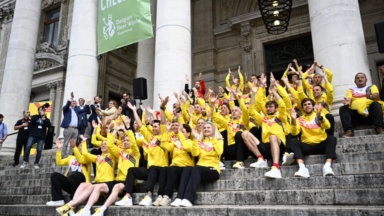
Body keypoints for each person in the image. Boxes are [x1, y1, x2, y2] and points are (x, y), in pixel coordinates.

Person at [115, 100, 169, 207]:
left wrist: (162, 108)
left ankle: (148, 196)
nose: (153, 128)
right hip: (151, 171)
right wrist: (135, 111)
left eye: (155, 127)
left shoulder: (164, 137)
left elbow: (163, 122)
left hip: (162, 171)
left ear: (160, 128)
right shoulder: (150, 138)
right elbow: (140, 124)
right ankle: (128, 197)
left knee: (153, 168)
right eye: (153, 126)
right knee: (132, 170)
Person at [55, 135, 117, 216]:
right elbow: (83, 156)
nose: (103, 145)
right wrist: (82, 143)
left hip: (108, 183)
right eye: (102, 144)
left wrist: (112, 135)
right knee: (83, 185)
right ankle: (71, 207)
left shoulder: (112, 156)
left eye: (105, 144)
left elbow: (111, 146)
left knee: (90, 185)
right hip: (98, 183)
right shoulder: (97, 158)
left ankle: (71, 206)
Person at [170, 121, 223, 207]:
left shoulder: (219, 140)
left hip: (212, 170)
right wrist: (195, 139)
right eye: (204, 128)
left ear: (213, 129)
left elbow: (219, 152)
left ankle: (188, 198)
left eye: (208, 127)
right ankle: (179, 198)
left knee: (197, 168)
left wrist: (213, 138)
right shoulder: (200, 142)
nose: (206, 129)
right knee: (188, 168)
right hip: (199, 169)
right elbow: (195, 154)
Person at [245, 80, 288, 179]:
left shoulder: (281, 117)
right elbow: (251, 111)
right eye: (267, 107)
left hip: (279, 145)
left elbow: (282, 104)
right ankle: (261, 159)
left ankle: (276, 168)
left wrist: (274, 92)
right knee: (245, 134)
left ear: (276, 109)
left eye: (271, 107)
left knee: (273, 137)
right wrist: (253, 93)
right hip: (265, 147)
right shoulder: (263, 119)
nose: (268, 109)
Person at [287, 98, 337, 177]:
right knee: (293, 141)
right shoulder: (299, 119)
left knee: (331, 138)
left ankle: (327, 166)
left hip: (321, 144)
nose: (307, 106)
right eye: (305, 105)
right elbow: (294, 133)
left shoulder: (319, 115)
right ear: (303, 108)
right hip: (307, 147)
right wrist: (293, 119)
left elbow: (328, 126)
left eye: (309, 104)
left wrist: (320, 118)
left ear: (313, 106)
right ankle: (302, 168)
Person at [46, 139, 91, 210]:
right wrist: (59, 149)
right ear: (77, 146)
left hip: (82, 186)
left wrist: (74, 148)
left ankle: (73, 200)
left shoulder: (88, 157)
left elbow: (81, 160)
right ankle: (58, 199)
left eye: (84, 146)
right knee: (55, 175)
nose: (83, 147)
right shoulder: (71, 158)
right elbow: (59, 162)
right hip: (71, 184)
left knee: (77, 175)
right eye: (81, 145)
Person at [339, 73, 384, 137]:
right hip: (356, 116)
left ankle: (379, 128)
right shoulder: (351, 89)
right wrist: (347, 103)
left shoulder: (372, 86)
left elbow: (377, 96)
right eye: (358, 78)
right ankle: (349, 131)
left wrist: (370, 96)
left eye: (362, 77)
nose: (360, 79)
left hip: (370, 115)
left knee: (375, 104)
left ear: (366, 80)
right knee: (343, 108)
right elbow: (349, 100)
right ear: (355, 81)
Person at [21, 104, 51, 169]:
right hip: (33, 136)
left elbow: (49, 125)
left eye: (43, 110)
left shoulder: (46, 118)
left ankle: (36, 163)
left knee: (39, 150)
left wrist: (44, 120)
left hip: (41, 138)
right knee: (28, 146)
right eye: (41, 110)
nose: (42, 111)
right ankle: (25, 161)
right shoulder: (35, 116)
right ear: (38, 111)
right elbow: (32, 121)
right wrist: (40, 115)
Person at [60, 92, 90, 158]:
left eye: (74, 101)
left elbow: (84, 109)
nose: (74, 102)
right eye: (72, 101)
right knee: (66, 143)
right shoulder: (66, 109)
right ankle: (63, 156)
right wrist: (71, 98)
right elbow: (67, 105)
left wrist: (87, 103)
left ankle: (70, 156)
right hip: (69, 128)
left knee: (73, 144)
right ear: (69, 103)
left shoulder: (75, 110)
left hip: (75, 129)